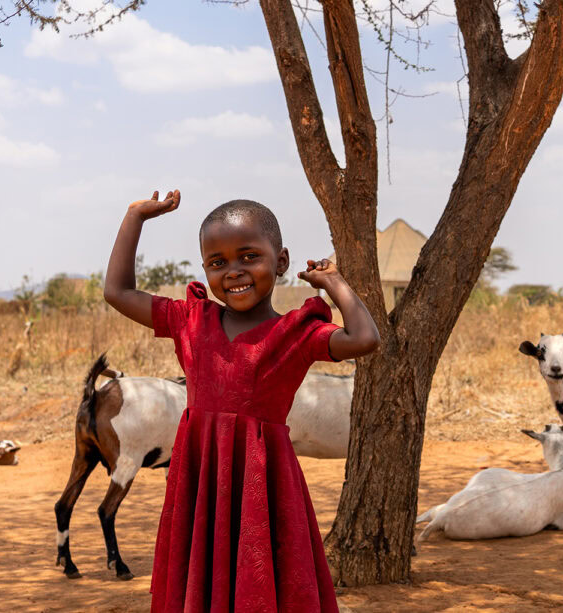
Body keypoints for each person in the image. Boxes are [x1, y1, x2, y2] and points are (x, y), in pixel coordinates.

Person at [103, 190, 380, 612]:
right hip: (201, 474)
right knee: (201, 575)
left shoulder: (295, 334)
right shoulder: (191, 321)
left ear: (281, 261)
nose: (233, 271)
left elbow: (363, 338)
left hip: (263, 479)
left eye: (248, 256)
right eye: (217, 263)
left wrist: (334, 282)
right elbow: (118, 292)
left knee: (262, 576)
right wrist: (135, 218)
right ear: (206, 270)